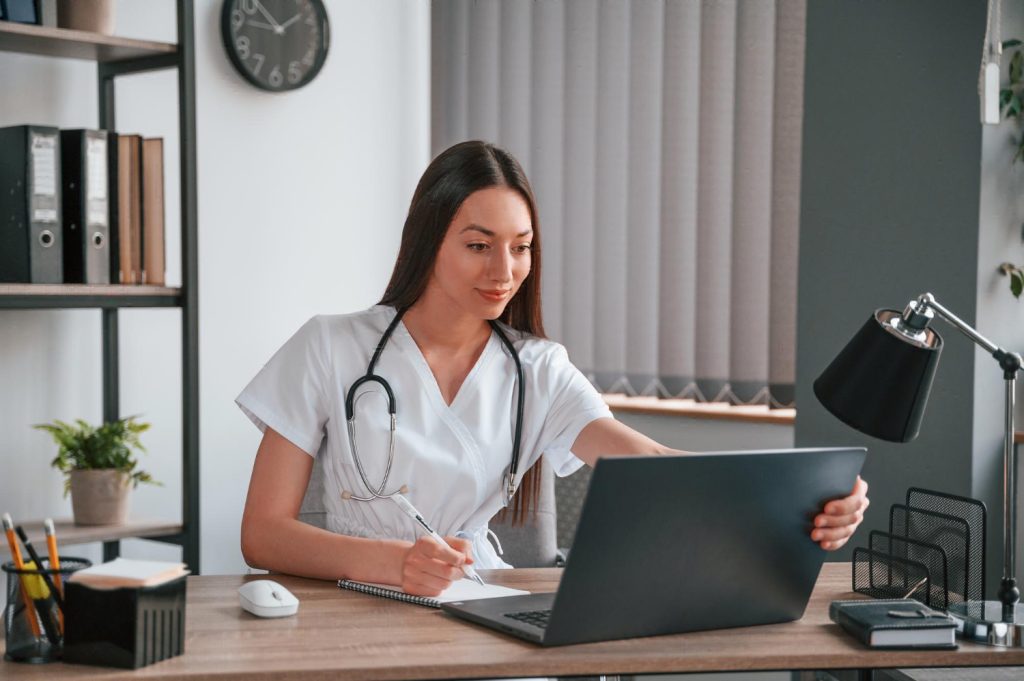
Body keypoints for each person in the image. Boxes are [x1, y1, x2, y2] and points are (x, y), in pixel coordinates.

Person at [237, 140, 870, 597]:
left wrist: (805, 497)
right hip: (349, 603)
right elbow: (263, 535)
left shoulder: (537, 369)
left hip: (478, 596)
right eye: (479, 246)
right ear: (428, 242)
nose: (504, 272)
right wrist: (396, 563)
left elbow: (646, 462)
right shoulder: (330, 347)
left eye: (522, 248)